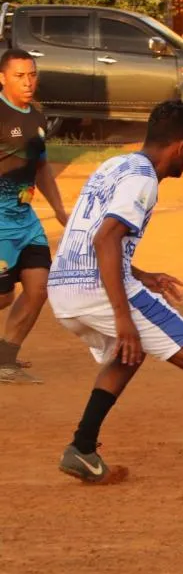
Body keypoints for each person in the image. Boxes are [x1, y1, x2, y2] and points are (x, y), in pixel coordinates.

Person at [47, 101, 183, 496]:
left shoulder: (113, 166)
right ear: (182, 146)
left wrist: (140, 274)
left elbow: (91, 236)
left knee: (127, 355)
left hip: (63, 286)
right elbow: (105, 239)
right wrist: (122, 317)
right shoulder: (144, 180)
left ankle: (82, 448)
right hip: (98, 289)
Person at [0, 48, 68, 384]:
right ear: (2, 78)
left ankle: (5, 360)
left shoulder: (37, 118)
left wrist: (58, 209)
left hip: (26, 222)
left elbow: (41, 167)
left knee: (39, 288)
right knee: (2, 297)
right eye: (19, 76)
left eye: (32, 74)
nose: (28, 82)